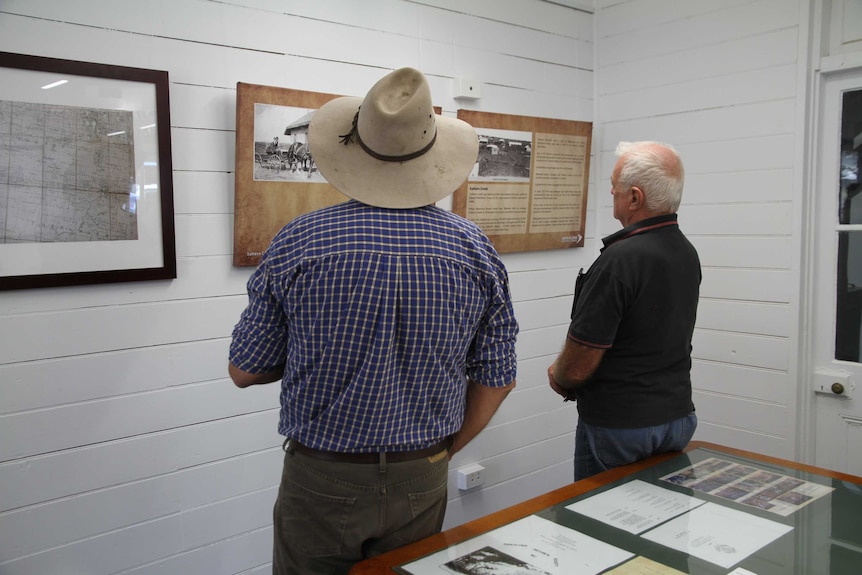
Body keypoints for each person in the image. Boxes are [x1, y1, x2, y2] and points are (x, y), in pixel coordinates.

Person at [229, 67, 518, 575]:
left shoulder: (301, 241)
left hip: (322, 474)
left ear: (355, 149)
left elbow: (245, 370)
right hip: (423, 472)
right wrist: (442, 453)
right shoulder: (474, 250)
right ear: (430, 153)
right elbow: (499, 377)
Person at [547, 141, 700, 481]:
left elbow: (579, 363)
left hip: (621, 427)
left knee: (599, 525)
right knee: (664, 522)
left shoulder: (619, 260)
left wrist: (559, 375)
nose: (611, 193)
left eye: (614, 187)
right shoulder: (685, 251)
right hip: (676, 418)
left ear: (634, 197)